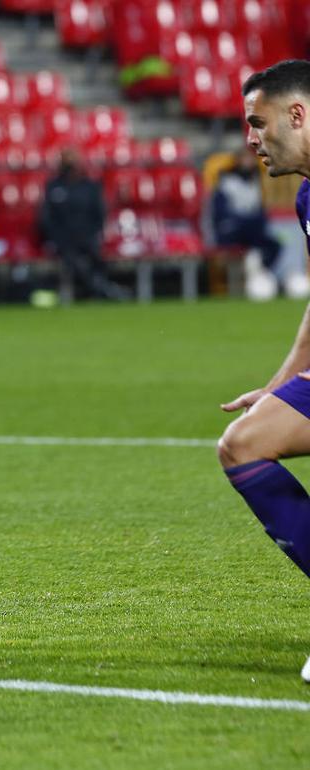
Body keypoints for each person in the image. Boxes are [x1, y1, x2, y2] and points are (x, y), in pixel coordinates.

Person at [219, 58, 310, 684]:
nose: (252, 139)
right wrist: (279, 389)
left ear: (297, 114)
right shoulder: (307, 196)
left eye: (259, 123)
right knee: (245, 443)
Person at [38, 148, 129, 301]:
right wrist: (55, 237)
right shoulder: (53, 187)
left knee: (97, 258)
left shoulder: (90, 187)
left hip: (87, 237)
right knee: (75, 261)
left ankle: (99, 289)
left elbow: (99, 215)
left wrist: (92, 233)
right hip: (63, 240)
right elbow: (46, 218)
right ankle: (103, 291)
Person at [211, 149, 284, 300]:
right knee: (253, 225)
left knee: (275, 244)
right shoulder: (226, 183)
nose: (248, 164)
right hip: (231, 230)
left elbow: (260, 212)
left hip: (251, 230)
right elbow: (221, 215)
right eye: (245, 160)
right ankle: (254, 265)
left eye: (250, 160)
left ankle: (260, 269)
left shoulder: (255, 182)